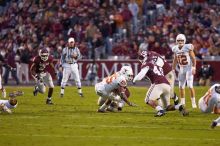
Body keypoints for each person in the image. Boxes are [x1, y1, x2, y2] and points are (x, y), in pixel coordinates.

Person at [133, 51, 188, 117]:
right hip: (166, 84)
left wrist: (134, 80)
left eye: (142, 58)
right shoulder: (155, 63)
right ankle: (179, 106)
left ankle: (160, 110)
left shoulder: (147, 64)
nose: (141, 59)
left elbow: (141, 75)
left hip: (160, 82)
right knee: (167, 107)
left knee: (148, 100)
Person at [172, 34, 197, 108]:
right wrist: (173, 69)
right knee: (181, 86)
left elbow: (193, 58)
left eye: (181, 40)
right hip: (181, 69)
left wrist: (194, 67)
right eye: (179, 40)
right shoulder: (175, 48)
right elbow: (175, 59)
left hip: (189, 68)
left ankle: (193, 102)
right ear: (176, 41)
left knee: (190, 85)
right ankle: (182, 102)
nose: (180, 42)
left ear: (184, 41)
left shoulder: (187, 47)